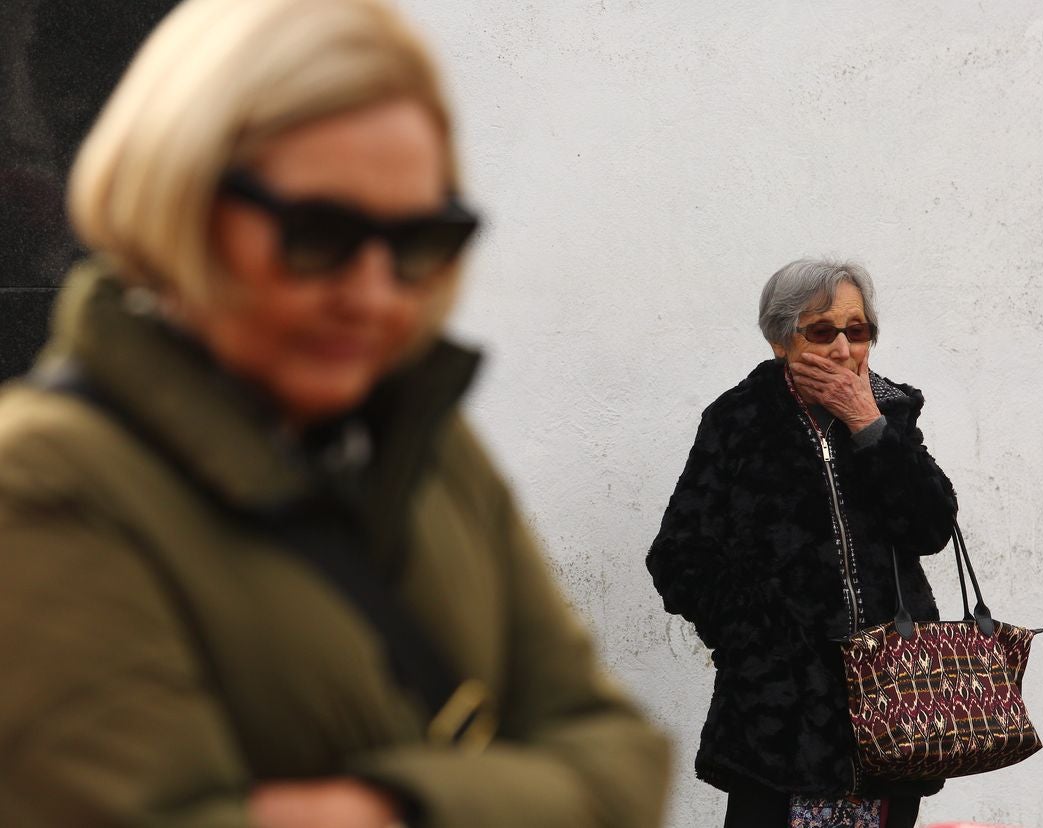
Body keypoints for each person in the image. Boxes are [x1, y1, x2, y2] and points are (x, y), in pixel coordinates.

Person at [0, 0, 670, 825]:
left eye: (421, 241)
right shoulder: (42, 482)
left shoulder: (424, 441)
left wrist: (377, 808)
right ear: (181, 202)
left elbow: (624, 759)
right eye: (318, 232)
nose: (372, 294)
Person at [646, 259, 958, 828]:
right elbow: (680, 553)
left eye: (856, 331)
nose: (842, 349)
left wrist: (869, 426)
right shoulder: (738, 421)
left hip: (891, 699)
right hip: (782, 709)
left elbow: (931, 526)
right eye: (822, 332)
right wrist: (759, 644)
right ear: (779, 340)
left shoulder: (891, 413)